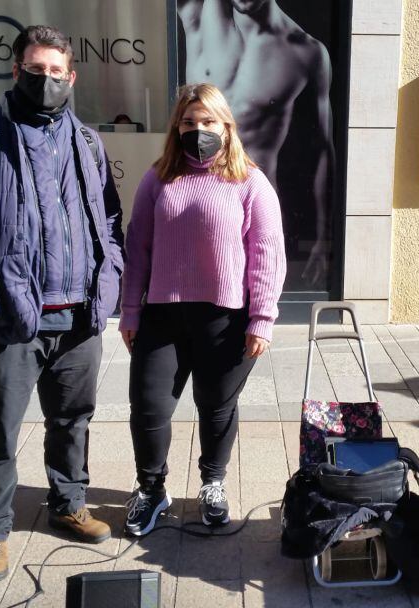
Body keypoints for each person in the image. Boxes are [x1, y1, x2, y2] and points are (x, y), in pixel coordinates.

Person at [0, 25, 124, 584]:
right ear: (16, 72)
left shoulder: (86, 141)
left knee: (72, 420)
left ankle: (67, 503)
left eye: (57, 73)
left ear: (72, 77)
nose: (47, 82)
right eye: (36, 72)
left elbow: (107, 216)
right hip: (7, 321)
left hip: (78, 317)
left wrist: (110, 274)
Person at [119, 83, 286, 535]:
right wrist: (130, 312)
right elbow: (138, 249)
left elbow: (267, 253)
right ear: (177, 127)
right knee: (150, 408)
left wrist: (262, 318)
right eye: (189, 122)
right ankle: (152, 491)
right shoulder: (158, 178)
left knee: (215, 407)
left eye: (208, 121)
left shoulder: (249, 181)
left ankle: (212, 483)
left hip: (224, 319)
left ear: (226, 127)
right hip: (163, 317)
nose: (199, 130)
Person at [178, 0, 333, 288]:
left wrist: (323, 235)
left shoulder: (306, 52)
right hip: (195, 200)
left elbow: (321, 150)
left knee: (254, 304)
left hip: (252, 207)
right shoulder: (197, 15)